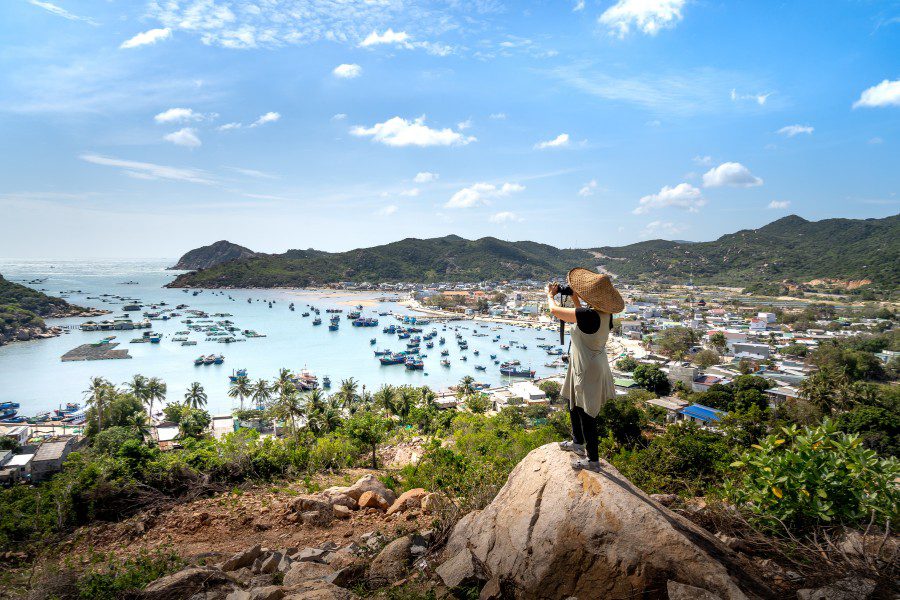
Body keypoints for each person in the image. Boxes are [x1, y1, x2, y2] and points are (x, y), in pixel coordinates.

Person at [546, 268, 624, 472]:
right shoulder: (604, 314)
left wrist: (550, 296)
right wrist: (575, 299)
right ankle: (577, 442)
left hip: (587, 368)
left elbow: (554, 311)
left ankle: (593, 461)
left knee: (587, 413)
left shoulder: (589, 315)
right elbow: (583, 320)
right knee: (573, 402)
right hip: (587, 363)